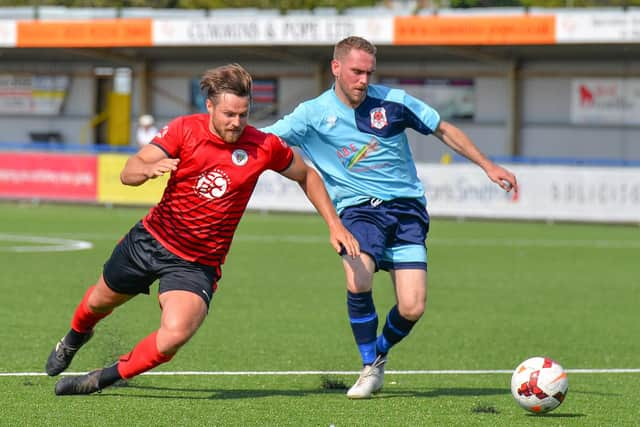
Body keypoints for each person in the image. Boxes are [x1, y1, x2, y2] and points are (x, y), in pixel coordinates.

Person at [46, 63, 359, 396]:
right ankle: (74, 337)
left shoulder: (263, 145)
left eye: (243, 114)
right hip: (150, 241)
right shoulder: (184, 130)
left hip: (197, 264)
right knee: (96, 303)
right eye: (228, 114)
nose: (236, 122)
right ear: (209, 105)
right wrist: (150, 169)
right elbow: (129, 171)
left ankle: (101, 378)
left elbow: (306, 175)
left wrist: (334, 224)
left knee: (175, 334)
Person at [262, 36, 519, 399]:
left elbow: (443, 129)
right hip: (358, 209)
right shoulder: (312, 114)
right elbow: (263, 140)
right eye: (355, 72)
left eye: (368, 72)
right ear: (336, 68)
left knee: (413, 307)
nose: (363, 80)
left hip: (406, 210)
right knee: (359, 278)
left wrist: (487, 165)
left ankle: (378, 355)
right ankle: (368, 366)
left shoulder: (393, 102)